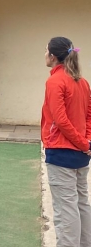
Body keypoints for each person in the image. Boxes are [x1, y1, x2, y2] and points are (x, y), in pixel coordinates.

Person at [41, 37, 91, 246]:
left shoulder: (55, 81)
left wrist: (83, 143)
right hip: (80, 153)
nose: (44, 54)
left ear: (53, 56)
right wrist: (86, 142)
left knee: (65, 209)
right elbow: (88, 116)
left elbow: (60, 120)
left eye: (45, 50)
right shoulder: (82, 81)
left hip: (62, 152)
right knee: (81, 204)